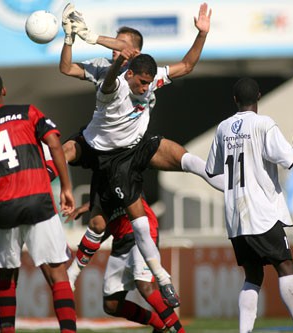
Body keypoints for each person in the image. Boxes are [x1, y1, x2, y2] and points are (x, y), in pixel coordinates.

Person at [59, 3, 223, 308]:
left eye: (122, 46)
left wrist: (202, 34)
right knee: (63, 152)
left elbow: (186, 65)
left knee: (175, 154)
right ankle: (38, 197)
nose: (116, 49)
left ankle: (224, 183)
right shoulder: (109, 76)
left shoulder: (149, 75)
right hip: (101, 150)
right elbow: (75, 71)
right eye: (115, 45)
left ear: (134, 54)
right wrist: (74, 39)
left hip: (134, 146)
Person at [0, 71, 77, 332]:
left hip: (3, 209)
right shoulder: (28, 112)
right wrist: (66, 187)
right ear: (3, 91)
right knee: (58, 273)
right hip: (39, 201)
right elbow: (55, 144)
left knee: (6, 278)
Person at [205, 77, 293, 333]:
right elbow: (288, 160)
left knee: (253, 276)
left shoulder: (223, 128)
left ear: (235, 100)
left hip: (235, 215)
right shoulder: (264, 124)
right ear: (259, 97)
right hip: (263, 212)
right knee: (286, 266)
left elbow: (211, 169)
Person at [65, 197, 185, 333]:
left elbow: (125, 192)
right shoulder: (99, 189)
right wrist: (88, 244)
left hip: (140, 235)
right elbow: (104, 226)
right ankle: (161, 326)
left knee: (144, 286)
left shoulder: (122, 178)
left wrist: (86, 207)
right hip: (120, 241)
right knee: (111, 305)